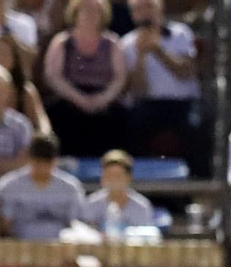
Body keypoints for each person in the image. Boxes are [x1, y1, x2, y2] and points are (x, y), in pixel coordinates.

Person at [42, 0, 128, 158]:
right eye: (86, 10)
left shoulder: (113, 43)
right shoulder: (62, 42)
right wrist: (80, 99)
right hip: (71, 97)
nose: (91, 15)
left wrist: (101, 99)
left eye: (95, 11)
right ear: (75, 13)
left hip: (103, 98)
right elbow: (53, 76)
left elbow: (119, 78)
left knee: (119, 117)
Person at [122, 0, 200, 159]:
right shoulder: (127, 44)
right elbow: (139, 90)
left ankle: (197, 175)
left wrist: (158, 50)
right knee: (132, 125)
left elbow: (187, 72)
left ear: (160, 8)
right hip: (149, 104)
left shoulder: (180, 33)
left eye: (149, 6)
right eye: (139, 9)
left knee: (196, 128)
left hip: (183, 103)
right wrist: (141, 56)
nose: (145, 13)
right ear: (133, 15)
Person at [0, 131, 84, 239]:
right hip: (21, 247)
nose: (42, 168)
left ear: (55, 161)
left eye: (47, 162)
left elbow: (76, 224)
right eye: (38, 162)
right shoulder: (9, 185)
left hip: (60, 247)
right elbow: (6, 225)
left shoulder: (70, 187)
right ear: (30, 159)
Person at [0, 34, 51, 134]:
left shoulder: (25, 91)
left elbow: (41, 121)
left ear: (14, 59)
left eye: (4, 54)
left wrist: (44, 139)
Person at [83, 148, 155, 234]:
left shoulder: (142, 206)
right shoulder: (91, 203)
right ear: (102, 178)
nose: (113, 180)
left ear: (128, 178)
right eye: (109, 176)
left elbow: (147, 240)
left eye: (117, 176)